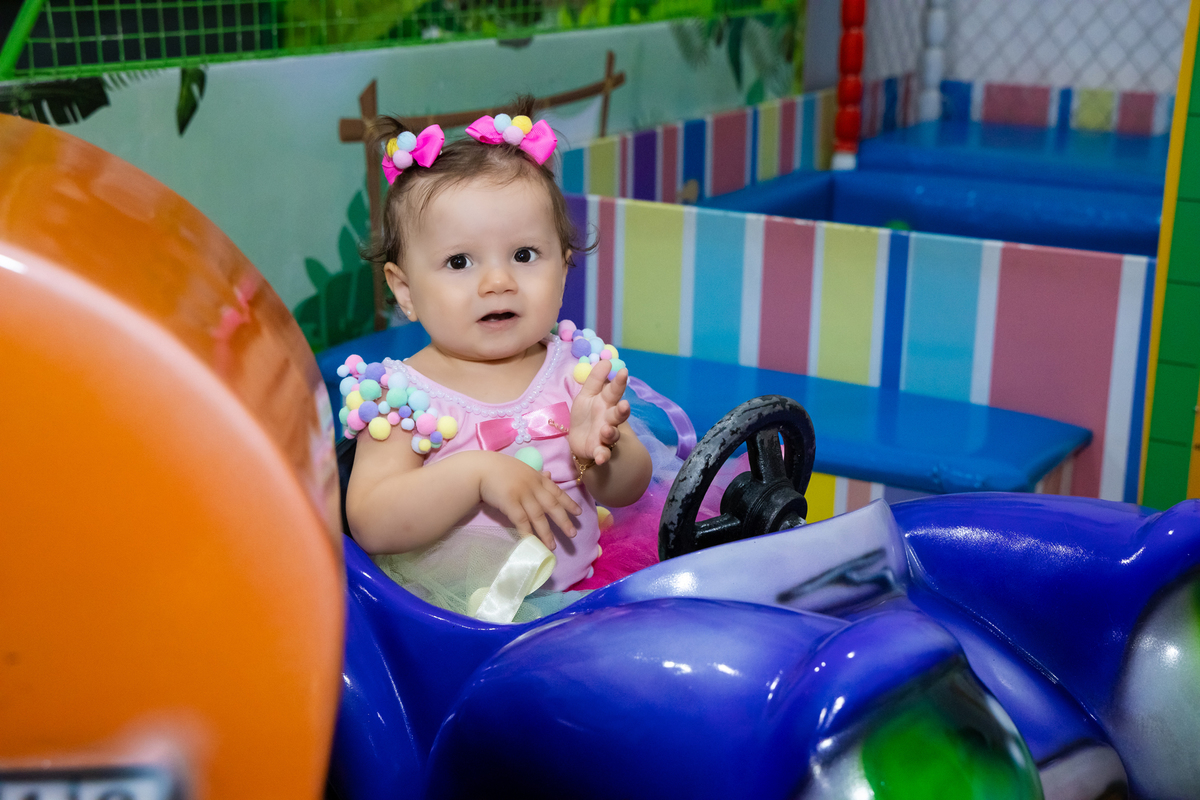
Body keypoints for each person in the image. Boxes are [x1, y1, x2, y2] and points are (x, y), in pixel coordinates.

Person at [339, 98, 653, 622]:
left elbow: (630, 489)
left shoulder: (575, 368)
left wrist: (600, 450)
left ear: (564, 271)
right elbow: (372, 520)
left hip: (582, 595)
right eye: (459, 261)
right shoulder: (400, 399)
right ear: (405, 289)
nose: (498, 281)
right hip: (454, 622)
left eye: (524, 255)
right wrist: (477, 474)